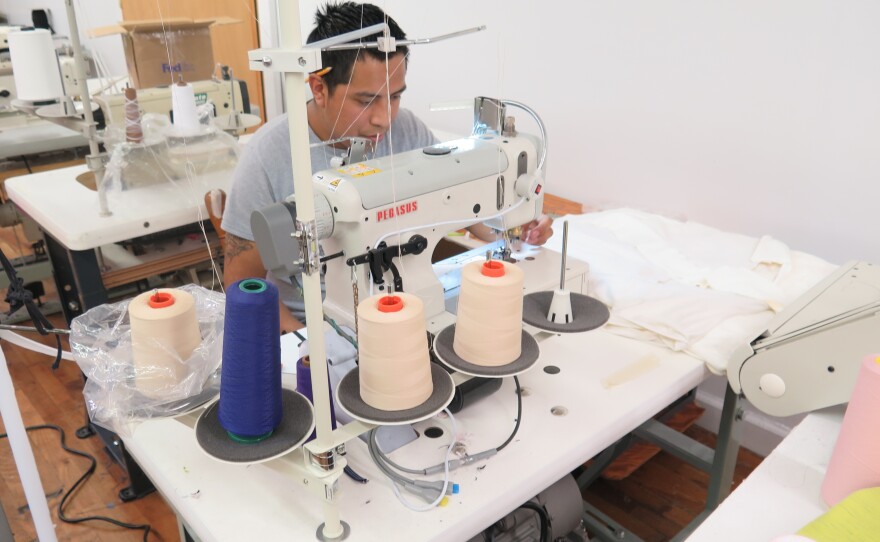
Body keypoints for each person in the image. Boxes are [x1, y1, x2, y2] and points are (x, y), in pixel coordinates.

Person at [221, 1, 553, 333]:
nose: (384, 118)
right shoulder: (268, 156)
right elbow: (242, 284)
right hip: (318, 327)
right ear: (319, 88)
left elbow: (464, 211)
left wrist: (518, 223)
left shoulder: (407, 131)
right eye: (366, 101)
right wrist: (309, 351)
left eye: (395, 96)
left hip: (401, 312)